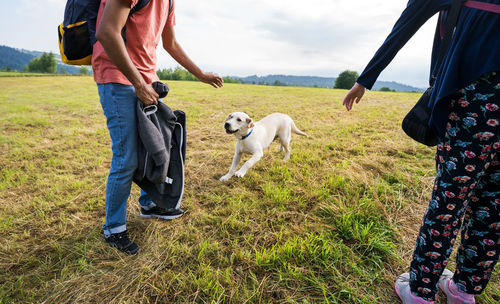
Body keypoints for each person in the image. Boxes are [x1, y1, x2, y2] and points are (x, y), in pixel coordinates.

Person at [342, 0, 499, 303]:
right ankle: (464, 290)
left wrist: (365, 78)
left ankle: (420, 291)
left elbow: (406, 23)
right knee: (493, 205)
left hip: (476, 94)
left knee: (450, 199)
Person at [92, 0, 223, 255]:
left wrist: (200, 74)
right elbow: (106, 32)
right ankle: (113, 229)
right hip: (119, 77)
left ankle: (150, 204)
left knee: (153, 148)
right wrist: (139, 84)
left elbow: (170, 43)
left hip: (148, 80)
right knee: (127, 157)